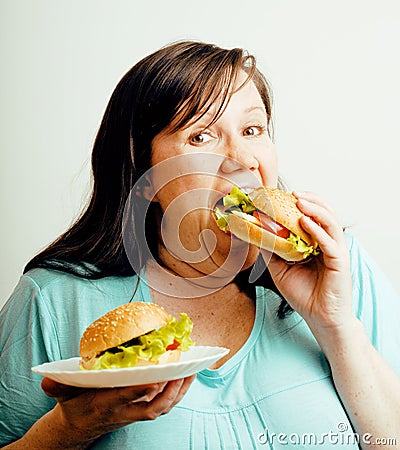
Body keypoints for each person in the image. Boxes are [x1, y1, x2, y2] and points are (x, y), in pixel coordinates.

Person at [0, 41, 399, 450]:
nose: (242, 159)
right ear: (147, 175)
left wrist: (335, 325)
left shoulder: (340, 267)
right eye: (201, 135)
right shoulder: (53, 300)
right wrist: (71, 428)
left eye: (252, 130)